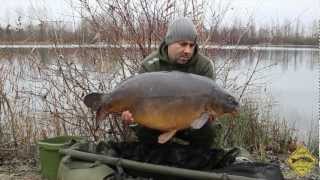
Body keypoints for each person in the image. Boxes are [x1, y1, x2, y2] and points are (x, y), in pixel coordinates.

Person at [122, 17, 222, 147]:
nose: (188, 51)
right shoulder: (150, 65)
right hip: (157, 121)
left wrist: (210, 114)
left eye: (192, 45)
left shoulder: (204, 66)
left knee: (209, 130)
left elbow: (210, 103)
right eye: (182, 44)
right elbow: (137, 100)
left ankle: (193, 162)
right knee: (142, 130)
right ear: (169, 42)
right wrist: (129, 115)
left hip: (190, 123)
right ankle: (157, 158)